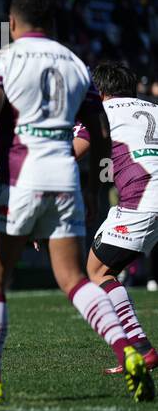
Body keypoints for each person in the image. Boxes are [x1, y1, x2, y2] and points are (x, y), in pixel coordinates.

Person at [0, 0, 152, 405]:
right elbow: (100, 133)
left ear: (12, 22)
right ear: (53, 22)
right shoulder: (77, 65)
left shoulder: (2, 60)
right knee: (75, 278)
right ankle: (128, 349)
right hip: (63, 180)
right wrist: (92, 192)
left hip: (18, 175)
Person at [72, 62, 158, 379]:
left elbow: (69, 152)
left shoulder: (102, 111)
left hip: (143, 198)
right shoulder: (152, 108)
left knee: (97, 271)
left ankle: (140, 347)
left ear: (101, 91)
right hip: (147, 197)